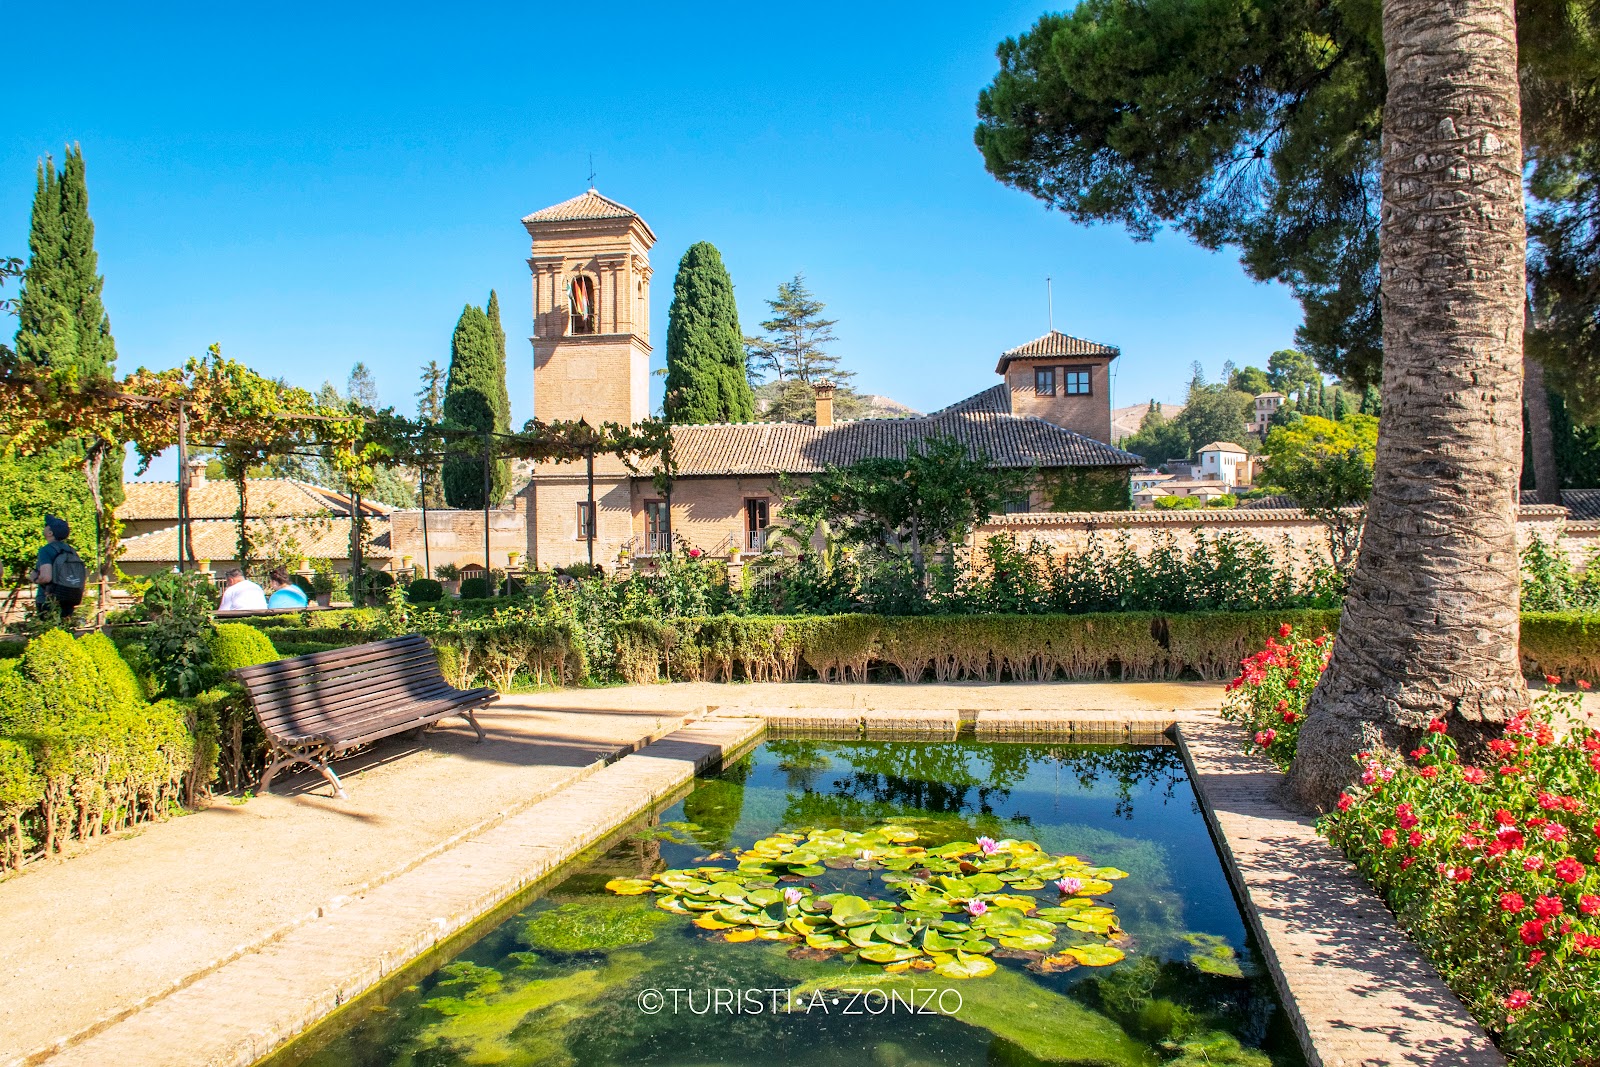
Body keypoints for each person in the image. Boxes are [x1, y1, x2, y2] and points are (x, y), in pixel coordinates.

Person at [29, 515, 87, 616]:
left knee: (48, 628)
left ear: (50, 533)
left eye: (46, 525)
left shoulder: (46, 550)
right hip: (69, 597)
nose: (44, 527)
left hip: (49, 599)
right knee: (64, 628)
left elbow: (46, 577)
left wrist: (34, 578)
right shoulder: (71, 550)